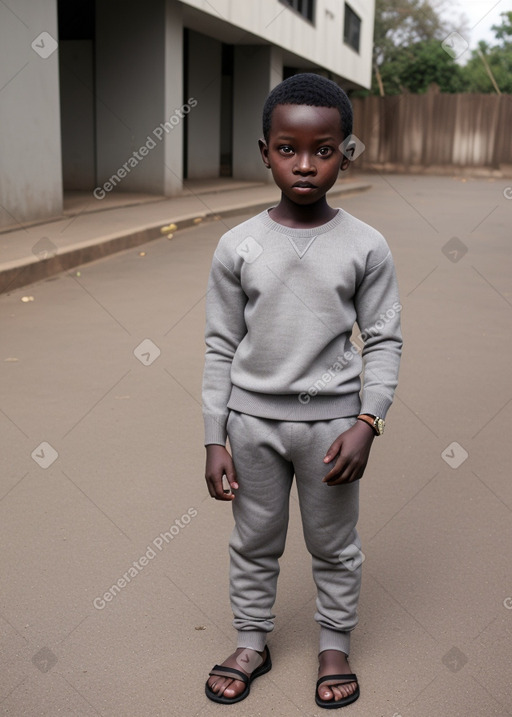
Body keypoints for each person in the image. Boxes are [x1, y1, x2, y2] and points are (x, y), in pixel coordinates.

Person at [202, 72, 402, 709]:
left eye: (324, 150)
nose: (306, 165)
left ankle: (334, 643)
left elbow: (384, 340)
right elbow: (219, 345)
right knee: (254, 540)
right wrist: (214, 437)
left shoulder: (367, 246)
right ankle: (251, 641)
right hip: (250, 426)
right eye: (288, 149)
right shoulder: (238, 245)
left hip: (332, 431)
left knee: (333, 544)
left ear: (346, 152)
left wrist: (367, 422)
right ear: (265, 151)